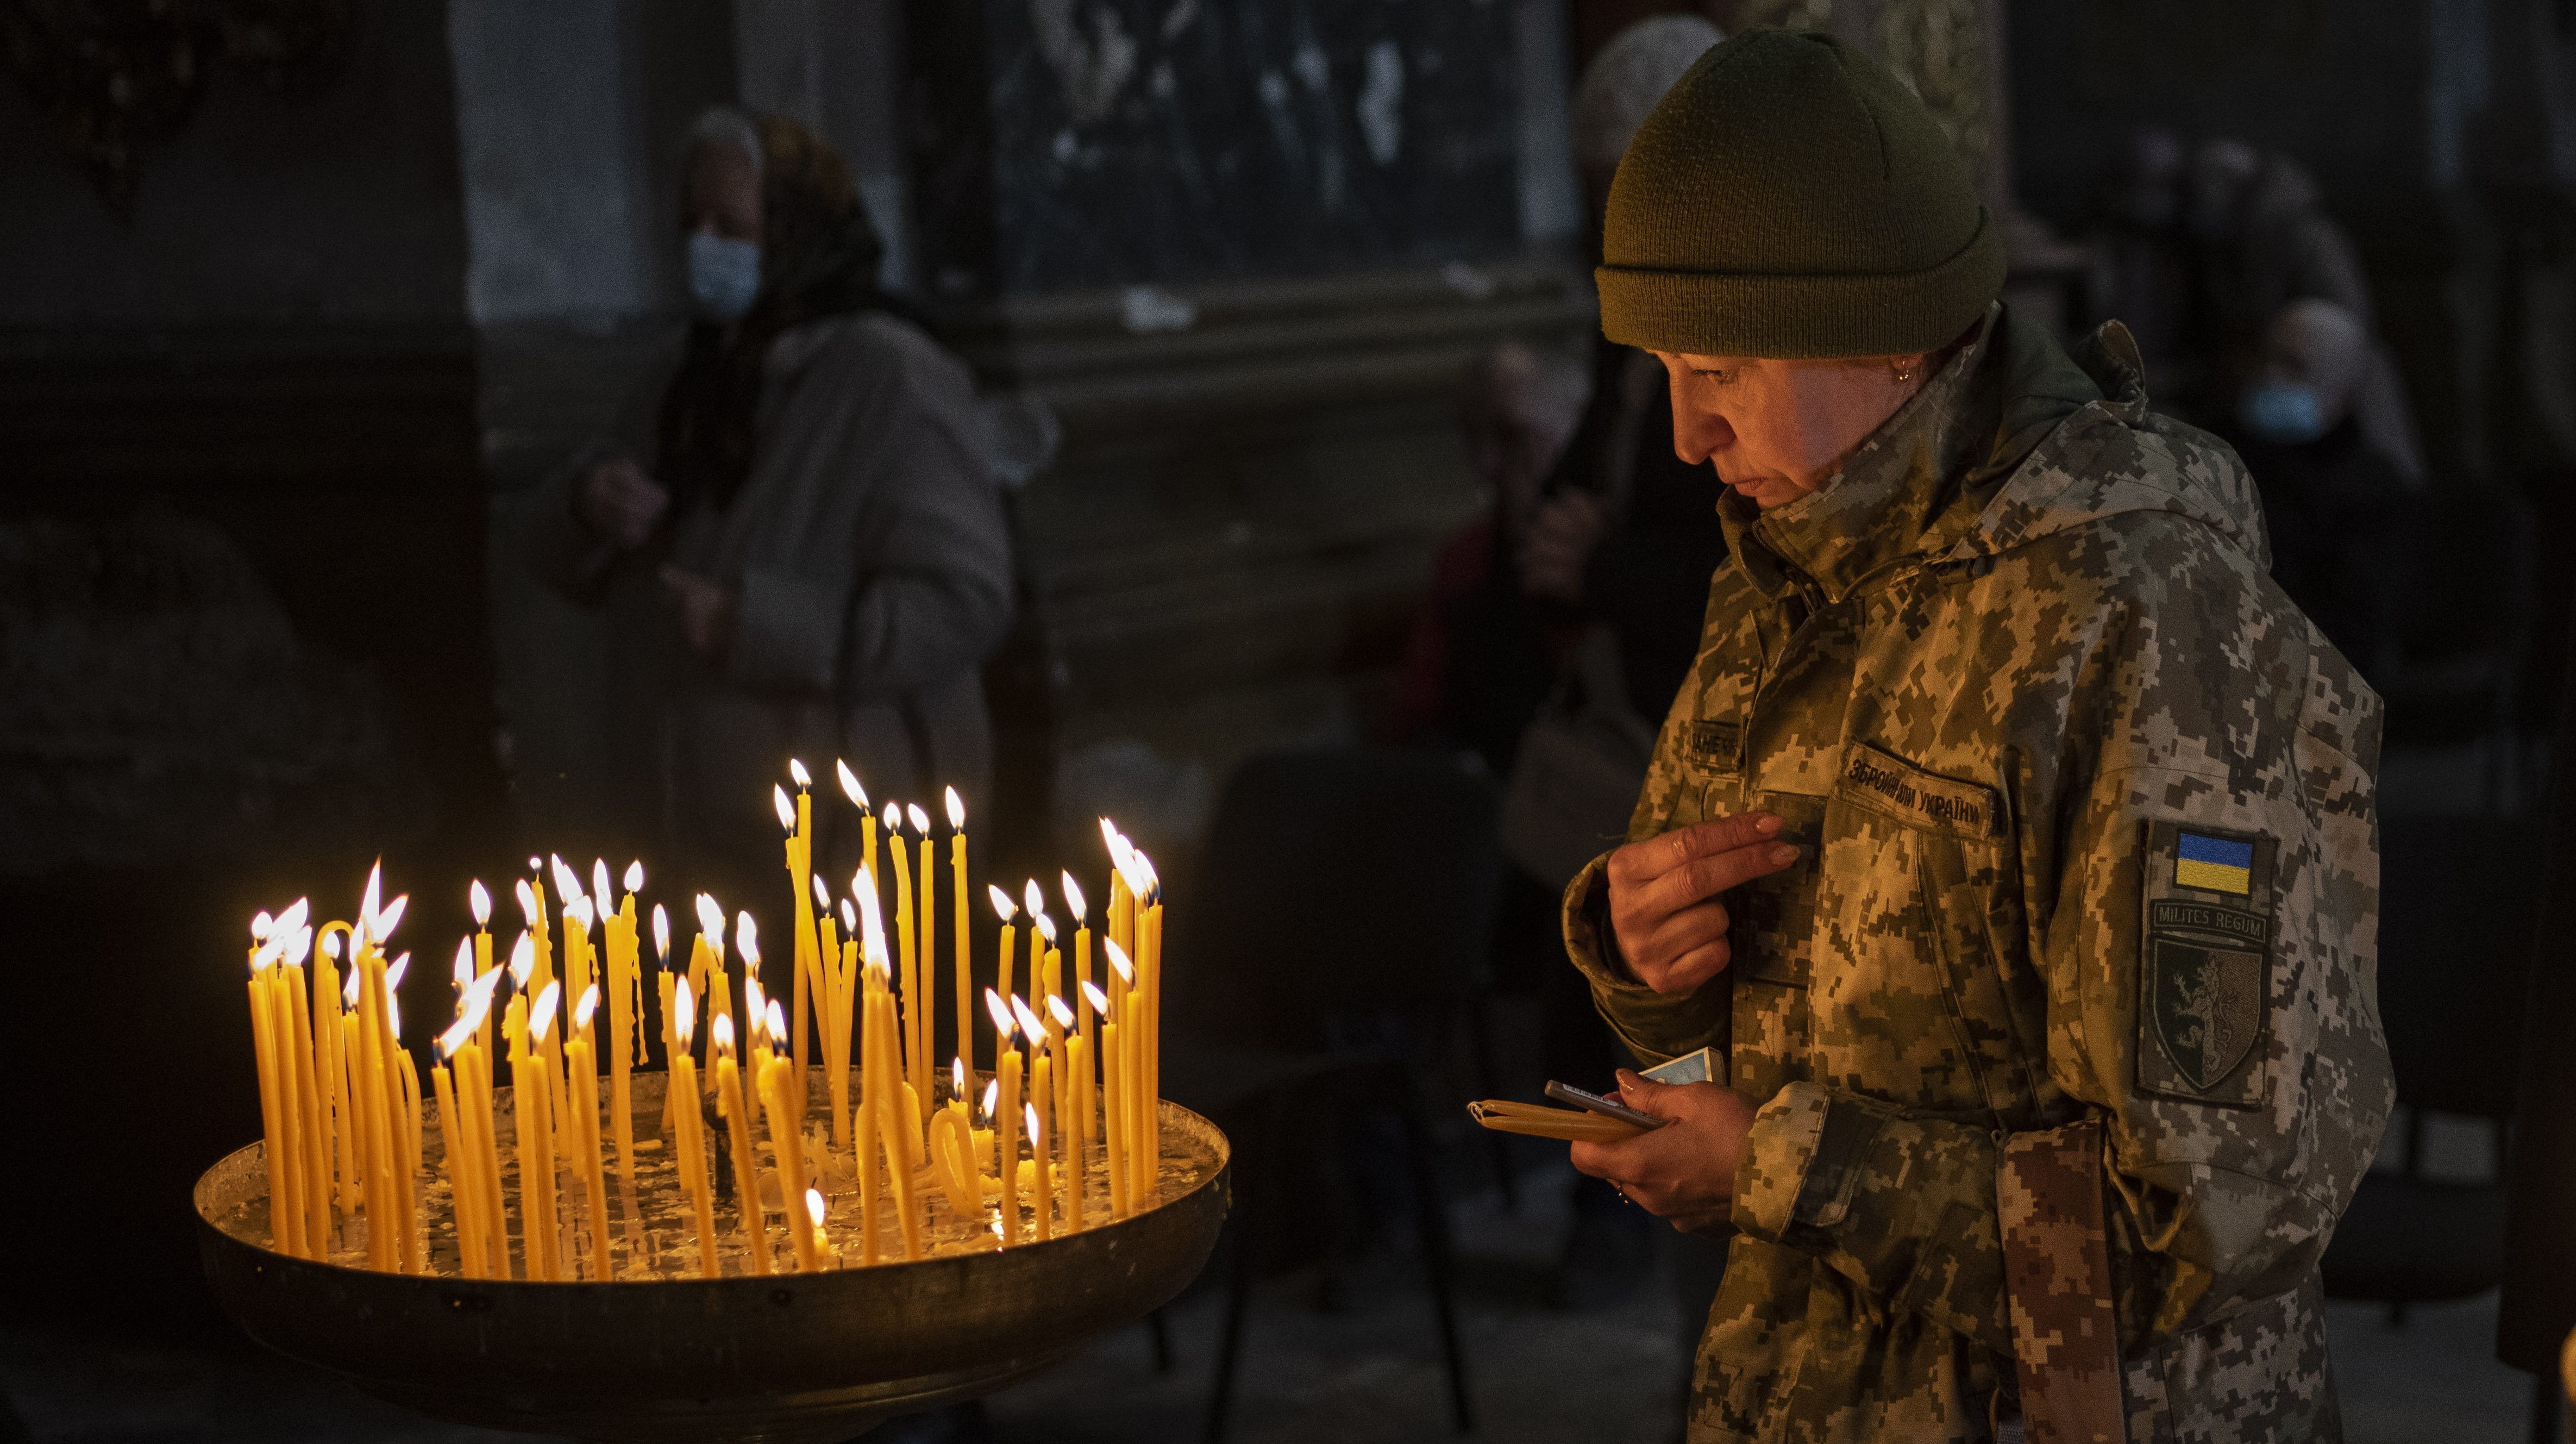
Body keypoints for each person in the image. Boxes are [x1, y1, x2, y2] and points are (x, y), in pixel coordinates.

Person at [1553, 29, 2390, 1442]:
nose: (1688, 432)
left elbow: (2206, 1226)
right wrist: (1655, 981)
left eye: (1721, 368)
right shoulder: (1784, 568)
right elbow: (1744, 1047)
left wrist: (1775, 1169)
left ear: (1883, 334)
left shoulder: (2143, 626)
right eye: (1660, 371)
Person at [525, 109, 1027, 897]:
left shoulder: (889, 375)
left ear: (798, 228)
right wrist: (589, 504)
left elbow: (964, 602)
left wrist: (749, 624)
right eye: (692, 223)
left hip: (844, 851)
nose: (705, 247)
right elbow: (559, 559)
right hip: (690, 841)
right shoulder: (687, 376)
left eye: (733, 226)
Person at [2224, 298, 2419, 680]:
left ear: (2340, 388)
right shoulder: (2230, 455)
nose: (2271, 376)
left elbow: (2357, 624)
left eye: (2294, 366)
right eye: (2268, 358)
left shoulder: (2374, 491)